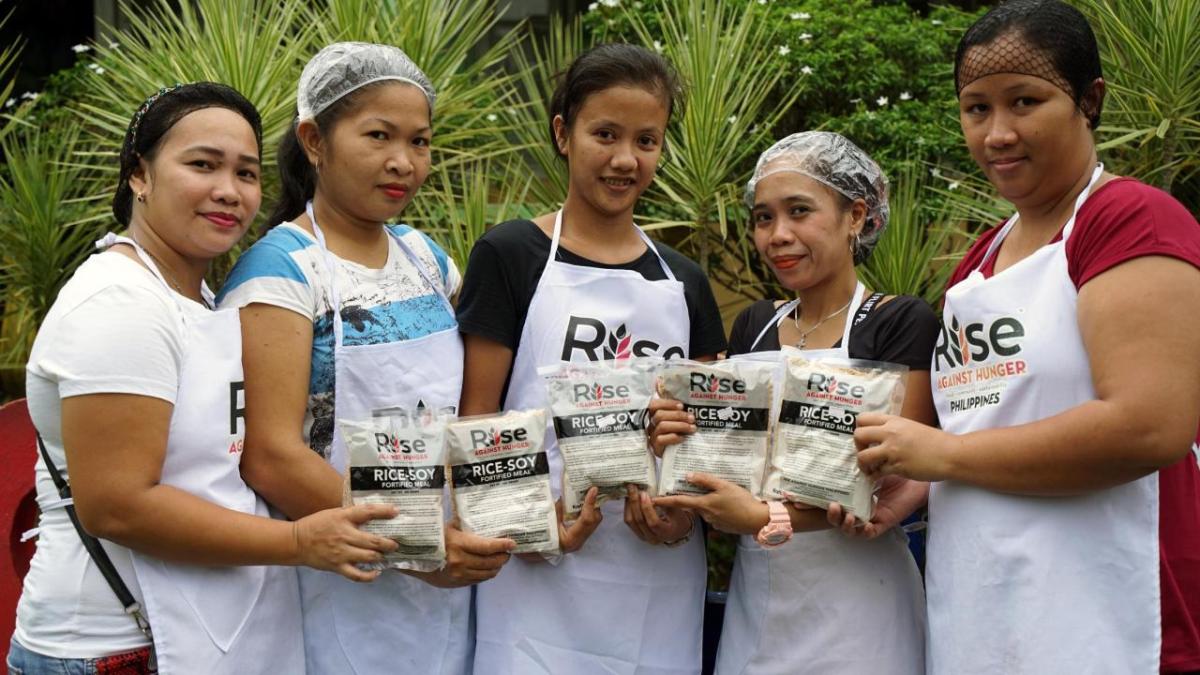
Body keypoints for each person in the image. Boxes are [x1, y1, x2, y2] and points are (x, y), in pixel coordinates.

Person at [852, 1, 1200, 672]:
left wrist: (944, 458)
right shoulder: (978, 263)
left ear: (1089, 100)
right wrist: (917, 482)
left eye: (1024, 101)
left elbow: (1150, 425)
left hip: (1109, 622)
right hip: (985, 621)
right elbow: (988, 421)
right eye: (976, 108)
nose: (997, 133)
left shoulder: (1128, 220)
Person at [8, 82, 398, 675]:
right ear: (139, 174)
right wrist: (298, 543)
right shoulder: (121, 302)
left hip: (193, 631)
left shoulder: (196, 295)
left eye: (246, 173)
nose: (229, 191)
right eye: (202, 165)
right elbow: (118, 506)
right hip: (112, 646)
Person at [216, 43, 513, 675]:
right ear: (314, 140)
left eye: (420, 141)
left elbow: (463, 409)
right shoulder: (282, 272)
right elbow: (270, 456)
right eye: (378, 135)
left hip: (445, 580)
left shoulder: (426, 258)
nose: (402, 162)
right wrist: (414, 544)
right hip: (335, 580)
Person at [456, 43, 728, 674]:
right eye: (604, 134)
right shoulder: (511, 254)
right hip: (533, 574)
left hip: (654, 577)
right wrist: (528, 527)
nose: (625, 159)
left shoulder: (684, 281)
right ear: (563, 133)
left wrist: (678, 525)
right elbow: (477, 420)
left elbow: (714, 441)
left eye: (647, 140)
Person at [649, 131, 935, 674]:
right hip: (760, 605)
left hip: (862, 612)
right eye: (763, 218)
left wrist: (760, 513)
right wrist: (674, 435)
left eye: (799, 211)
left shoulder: (899, 322)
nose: (778, 235)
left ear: (856, 215)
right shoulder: (756, 325)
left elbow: (897, 478)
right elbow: (727, 456)